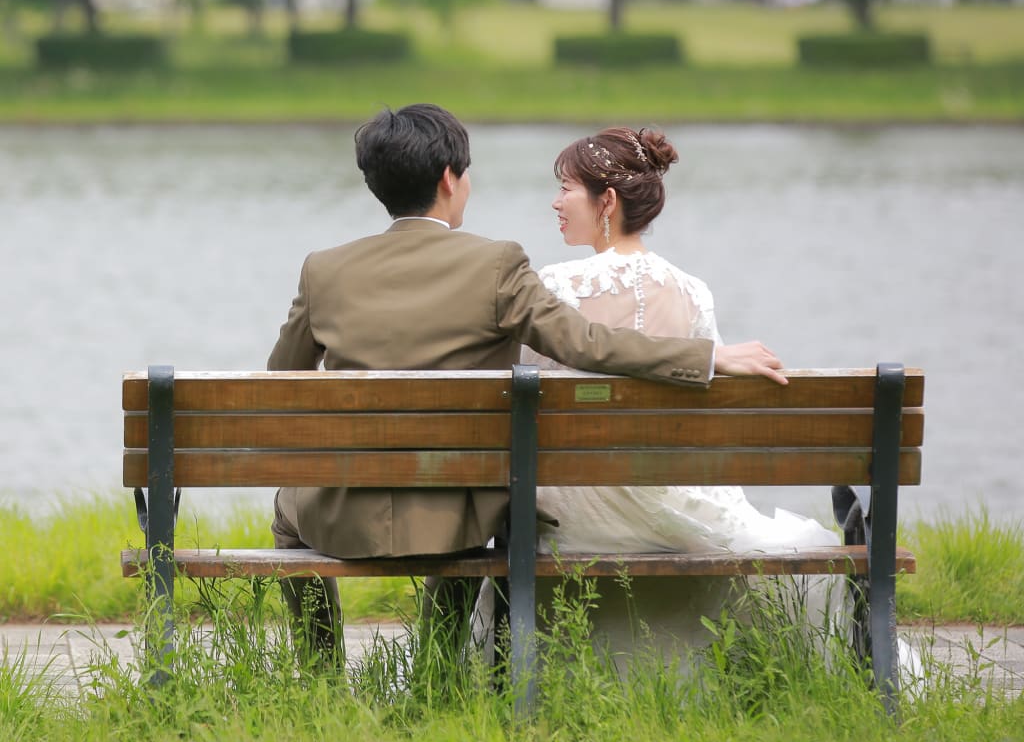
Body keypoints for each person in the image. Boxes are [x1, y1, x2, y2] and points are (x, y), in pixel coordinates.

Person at [267, 104, 786, 658]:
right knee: (470, 510)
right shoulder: (496, 265)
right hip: (459, 516)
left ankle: (320, 668)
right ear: (449, 178)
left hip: (344, 517)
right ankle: (438, 672)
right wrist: (706, 357)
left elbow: (280, 381)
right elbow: (585, 343)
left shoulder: (323, 269)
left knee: (286, 517)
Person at [518, 125, 846, 671]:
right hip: (661, 497)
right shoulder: (693, 291)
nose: (555, 201)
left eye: (566, 188)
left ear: (607, 201)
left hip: (574, 512)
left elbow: (522, 392)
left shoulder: (555, 285)